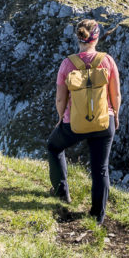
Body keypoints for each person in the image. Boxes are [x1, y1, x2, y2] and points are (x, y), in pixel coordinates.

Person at [47, 18, 121, 224]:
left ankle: (62, 195)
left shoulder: (67, 64)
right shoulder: (107, 61)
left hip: (75, 123)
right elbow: (116, 94)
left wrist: (61, 118)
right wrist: (116, 114)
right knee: (101, 168)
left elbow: (61, 98)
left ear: (79, 37)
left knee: (54, 147)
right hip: (104, 122)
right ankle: (98, 216)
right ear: (96, 38)